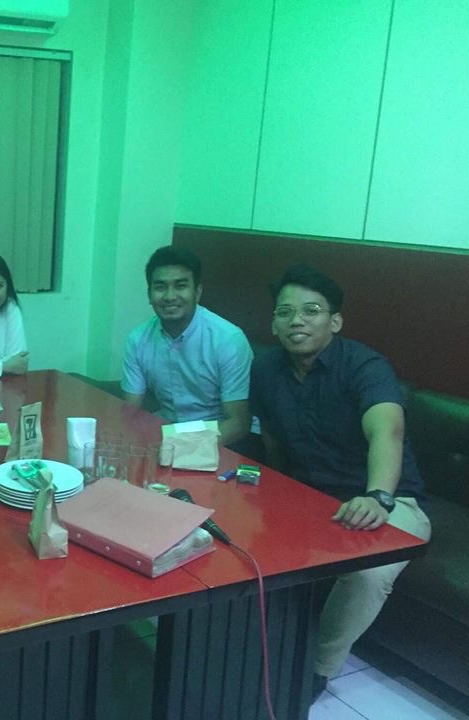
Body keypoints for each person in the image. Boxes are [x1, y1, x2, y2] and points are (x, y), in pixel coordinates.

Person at [251, 264, 431, 703]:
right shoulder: (267, 367)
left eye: (311, 311)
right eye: (285, 312)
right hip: (312, 495)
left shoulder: (365, 366)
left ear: (335, 321)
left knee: (369, 573)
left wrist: (378, 495)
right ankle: (241, 645)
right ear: (274, 323)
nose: (296, 321)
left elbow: (387, 431)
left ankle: (315, 671)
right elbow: (272, 434)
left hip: (390, 497)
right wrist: (272, 491)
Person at [121, 246, 253, 446]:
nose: (169, 296)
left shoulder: (228, 340)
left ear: (197, 292)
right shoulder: (138, 340)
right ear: (149, 295)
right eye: (160, 287)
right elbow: (131, 411)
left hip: (218, 439)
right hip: (166, 433)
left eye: (180, 286)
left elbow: (238, 424)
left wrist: (180, 448)